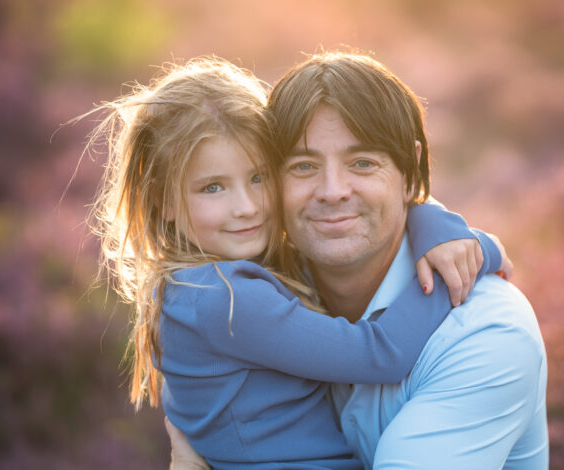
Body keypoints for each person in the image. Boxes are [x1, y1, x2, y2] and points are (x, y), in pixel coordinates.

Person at [86, 56, 508, 468]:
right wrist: (477, 251)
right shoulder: (228, 300)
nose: (247, 207)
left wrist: (435, 223)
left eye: (259, 177)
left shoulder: (195, 286)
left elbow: (368, 207)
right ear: (163, 201)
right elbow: (382, 353)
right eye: (213, 187)